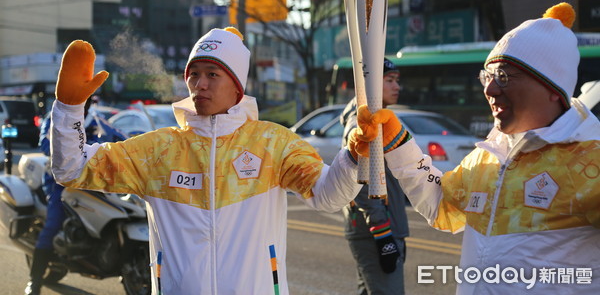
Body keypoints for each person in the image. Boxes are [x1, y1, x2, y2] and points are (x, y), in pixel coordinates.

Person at [50, 27, 363, 295]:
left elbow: (328, 195)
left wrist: (352, 155)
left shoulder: (273, 144)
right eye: (194, 74)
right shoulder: (159, 150)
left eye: (212, 74)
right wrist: (69, 109)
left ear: (237, 86)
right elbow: (73, 168)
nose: (200, 84)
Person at [349, 2, 600, 294]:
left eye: (504, 77)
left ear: (553, 90)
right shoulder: (491, 154)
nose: (490, 90)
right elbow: (442, 206)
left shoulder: (589, 161)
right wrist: (397, 143)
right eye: (488, 76)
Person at [25, 98, 127, 295]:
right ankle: (34, 281)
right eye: (82, 95)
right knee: (53, 224)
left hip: (96, 180)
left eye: (89, 96)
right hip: (62, 183)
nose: (85, 100)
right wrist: (79, 151)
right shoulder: (56, 117)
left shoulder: (97, 121)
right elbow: (46, 144)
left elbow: (124, 138)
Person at [340, 58, 409, 295]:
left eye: (397, 81)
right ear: (368, 86)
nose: (396, 86)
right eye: (389, 80)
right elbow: (361, 182)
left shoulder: (377, 118)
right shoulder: (362, 124)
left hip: (377, 227)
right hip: (373, 230)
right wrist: (383, 234)